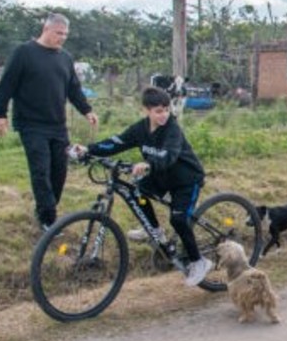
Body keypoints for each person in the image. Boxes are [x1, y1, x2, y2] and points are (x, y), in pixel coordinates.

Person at [69, 87, 213, 286]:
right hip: (161, 176)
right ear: (146, 110)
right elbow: (117, 142)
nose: (163, 115)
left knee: (179, 219)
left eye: (166, 110)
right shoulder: (140, 129)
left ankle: (199, 262)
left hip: (186, 179)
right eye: (158, 111)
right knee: (135, 190)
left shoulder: (173, 130)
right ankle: (154, 230)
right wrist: (88, 150)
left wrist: (148, 164)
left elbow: (168, 155)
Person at [0, 13, 99, 231]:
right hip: (31, 124)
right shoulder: (24, 53)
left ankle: (45, 209)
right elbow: (6, 84)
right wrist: (0, 114)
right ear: (46, 29)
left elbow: (73, 88)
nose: (62, 38)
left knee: (59, 171)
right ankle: (49, 219)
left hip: (57, 125)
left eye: (65, 35)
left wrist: (86, 110)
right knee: (40, 170)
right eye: (58, 33)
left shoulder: (65, 58)